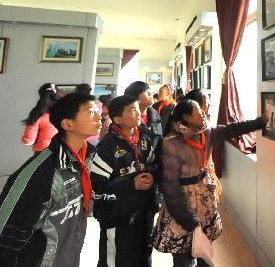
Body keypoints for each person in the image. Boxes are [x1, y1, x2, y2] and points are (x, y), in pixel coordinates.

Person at [153, 100, 266, 267]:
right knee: (182, 256)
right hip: (182, 206)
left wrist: (259, 122)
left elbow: (231, 129)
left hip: (204, 202)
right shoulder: (171, 144)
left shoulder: (207, 133)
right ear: (186, 117)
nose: (203, 113)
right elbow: (171, 189)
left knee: (205, 254)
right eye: (198, 111)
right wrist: (188, 220)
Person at [0, 92, 100, 266]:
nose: (100, 116)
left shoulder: (84, 158)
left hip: (68, 255)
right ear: (68, 124)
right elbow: (6, 229)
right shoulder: (40, 172)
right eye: (91, 112)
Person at [90, 95, 159, 267]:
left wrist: (152, 176)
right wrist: (131, 184)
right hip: (117, 215)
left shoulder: (143, 137)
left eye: (138, 108)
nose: (138, 113)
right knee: (116, 259)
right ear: (118, 119)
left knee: (144, 253)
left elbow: (152, 164)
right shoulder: (107, 147)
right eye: (132, 110)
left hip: (143, 210)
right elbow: (96, 187)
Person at [21, 82, 59, 152]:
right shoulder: (65, 112)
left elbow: (29, 141)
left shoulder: (38, 113)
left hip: (44, 152)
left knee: (34, 164)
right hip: (64, 153)